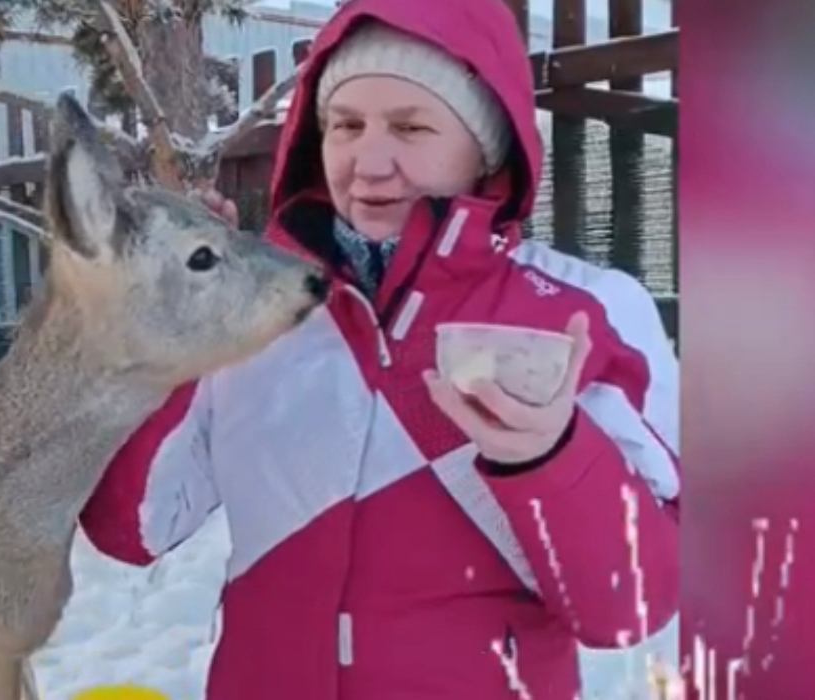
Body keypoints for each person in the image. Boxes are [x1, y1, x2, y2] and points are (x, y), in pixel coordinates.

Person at [79, 0, 681, 697]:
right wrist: (165, 331)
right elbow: (131, 531)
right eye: (346, 125)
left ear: (486, 148)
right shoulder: (250, 308)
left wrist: (549, 455)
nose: (368, 161)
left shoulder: (586, 313)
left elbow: (629, 608)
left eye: (410, 127)